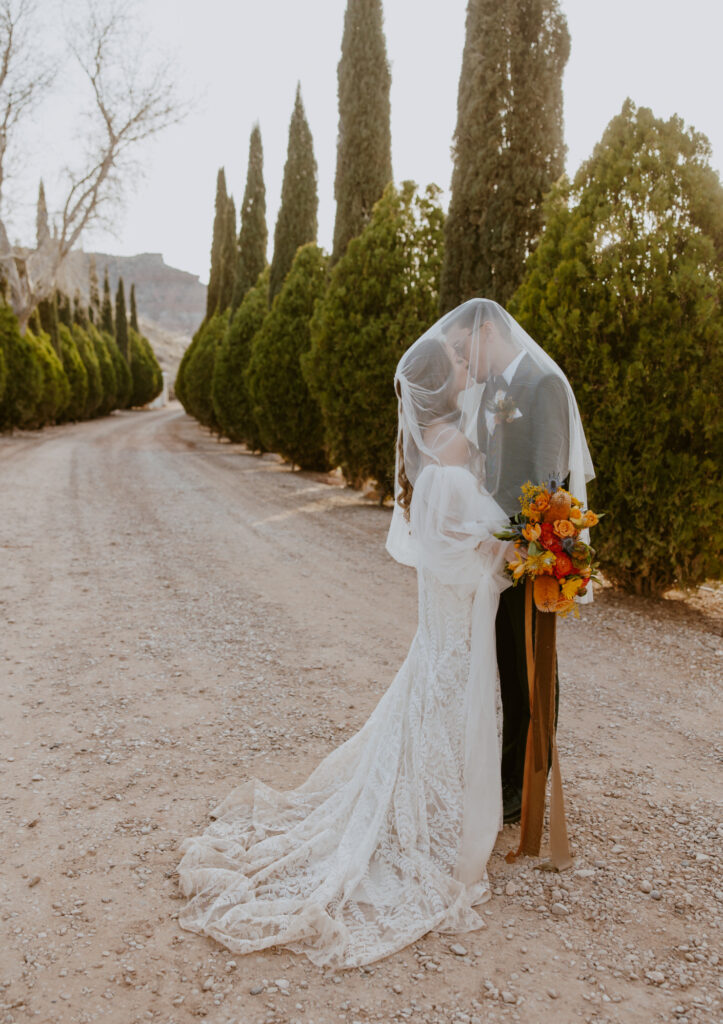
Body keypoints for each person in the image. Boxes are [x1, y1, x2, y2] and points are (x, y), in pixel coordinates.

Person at [176, 335, 516, 969]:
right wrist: (507, 552)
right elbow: (457, 548)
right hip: (454, 613)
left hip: (440, 617)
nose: (472, 365)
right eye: (463, 362)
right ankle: (438, 836)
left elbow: (439, 538)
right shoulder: (458, 447)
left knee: (430, 703)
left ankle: (438, 816)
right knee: (444, 704)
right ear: (447, 382)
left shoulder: (431, 443)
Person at [441, 299, 594, 824]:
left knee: (534, 669)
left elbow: (548, 480)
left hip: (534, 554)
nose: (466, 359)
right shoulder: (497, 391)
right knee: (508, 666)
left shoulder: (543, 383)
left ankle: (527, 787)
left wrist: (514, 541)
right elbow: (489, 468)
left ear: (488, 332)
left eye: (465, 348)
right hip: (500, 551)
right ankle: (508, 781)